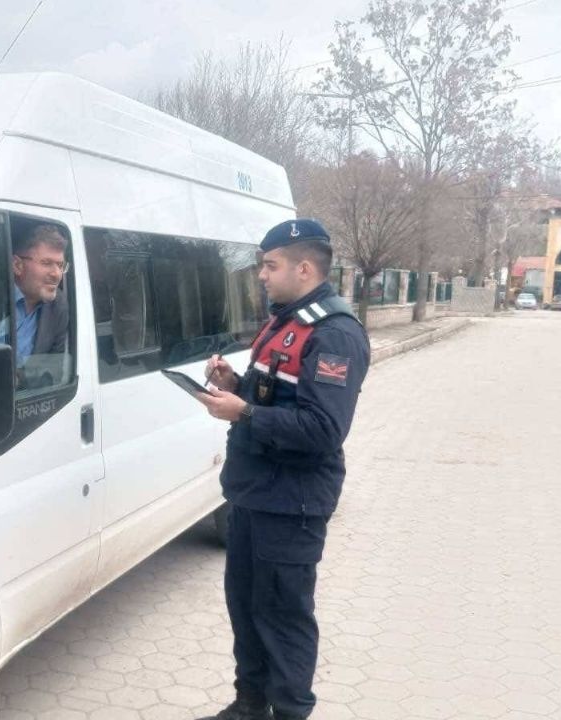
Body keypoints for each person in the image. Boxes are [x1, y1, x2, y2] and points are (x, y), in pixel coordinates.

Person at [195, 219, 371, 720]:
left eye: (270, 266)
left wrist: (244, 412)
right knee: (248, 612)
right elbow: (279, 393)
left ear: (305, 267)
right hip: (254, 493)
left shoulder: (335, 335)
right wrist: (237, 384)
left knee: (284, 620)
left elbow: (322, 429)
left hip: (291, 502)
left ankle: (290, 712)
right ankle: (249, 707)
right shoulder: (286, 319)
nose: (262, 276)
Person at [7, 223, 70, 364]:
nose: (57, 274)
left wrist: (21, 379)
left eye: (60, 265)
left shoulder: (59, 305)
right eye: (47, 263)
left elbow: (53, 370)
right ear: (17, 265)